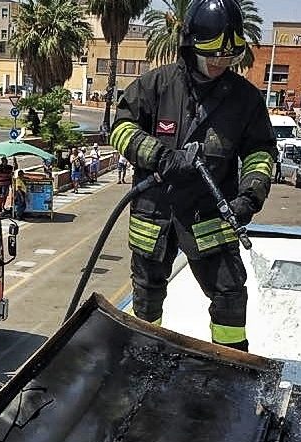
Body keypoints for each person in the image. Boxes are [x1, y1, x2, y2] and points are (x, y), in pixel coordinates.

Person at [110, 0, 277, 352]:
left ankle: (231, 363)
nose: (219, 62)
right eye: (211, 53)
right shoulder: (155, 86)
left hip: (209, 215)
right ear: (189, 46)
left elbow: (260, 152)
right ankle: (144, 355)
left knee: (229, 295)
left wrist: (250, 196)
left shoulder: (245, 99)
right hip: (154, 214)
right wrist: (160, 156)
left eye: (228, 56)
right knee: (147, 294)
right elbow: (121, 129)